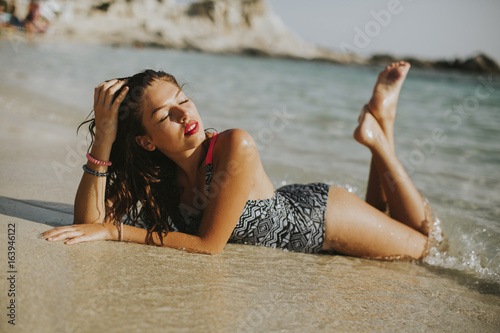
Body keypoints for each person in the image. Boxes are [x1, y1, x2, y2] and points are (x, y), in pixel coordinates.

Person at [40, 61, 432, 260]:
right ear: (145, 141)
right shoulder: (161, 176)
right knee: (388, 215)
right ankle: (381, 124)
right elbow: (88, 223)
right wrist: (106, 136)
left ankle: (382, 143)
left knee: (427, 246)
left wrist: (117, 232)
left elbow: (209, 246)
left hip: (322, 219)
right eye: (164, 116)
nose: (184, 115)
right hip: (300, 212)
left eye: (182, 100)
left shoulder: (233, 146)